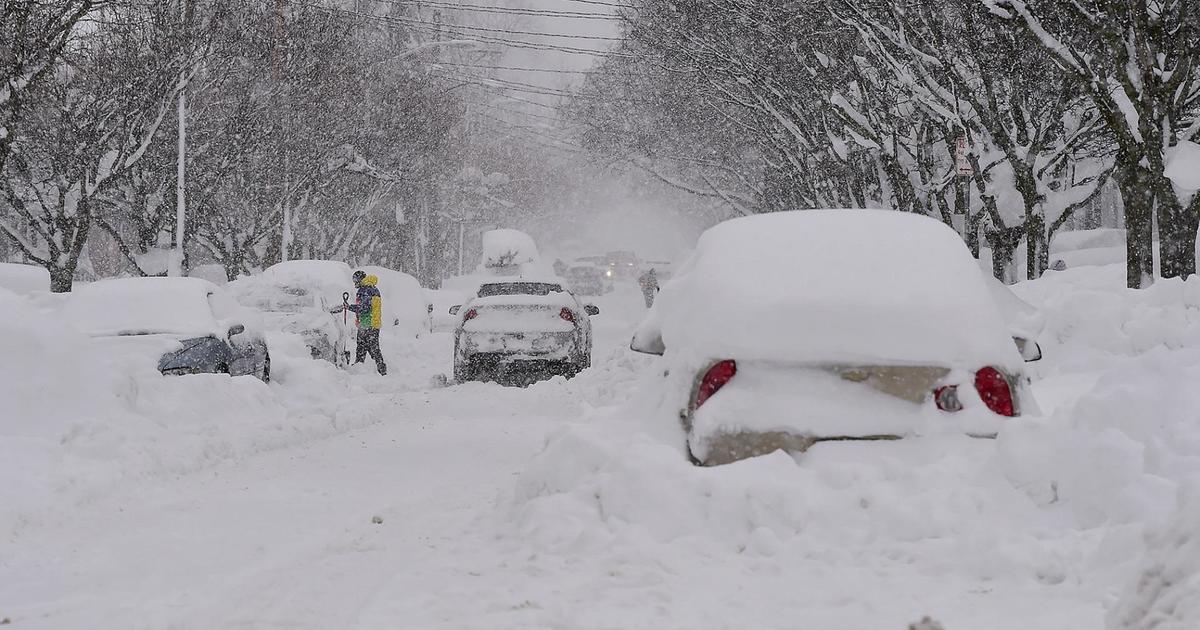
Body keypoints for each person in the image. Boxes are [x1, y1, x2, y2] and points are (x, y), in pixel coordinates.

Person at [333, 270, 387, 375]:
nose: (354, 282)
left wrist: (349, 307)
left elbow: (364, 308)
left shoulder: (366, 290)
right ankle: (362, 368)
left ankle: (380, 370)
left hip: (369, 324)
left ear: (360, 279)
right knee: (364, 347)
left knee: (371, 348)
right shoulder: (370, 288)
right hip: (368, 324)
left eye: (355, 280)